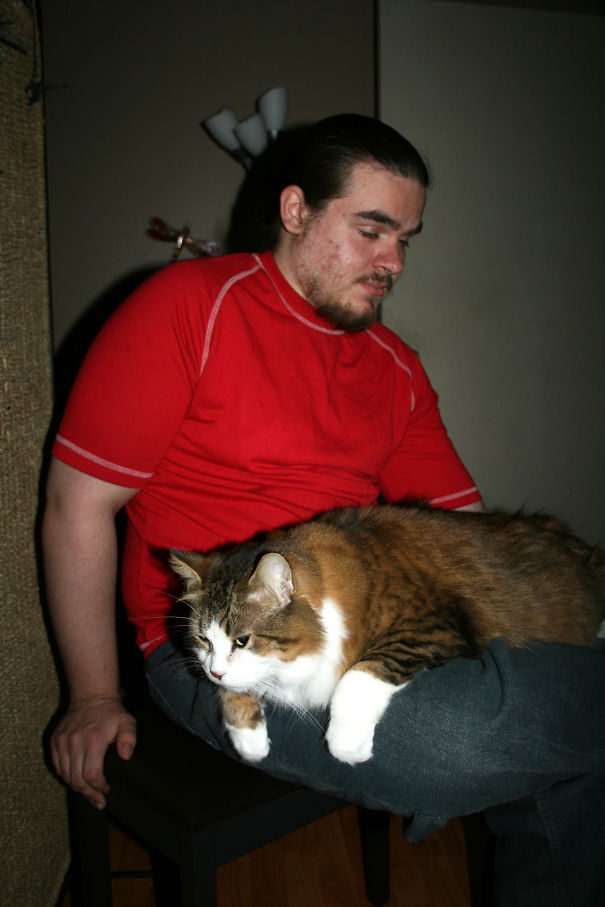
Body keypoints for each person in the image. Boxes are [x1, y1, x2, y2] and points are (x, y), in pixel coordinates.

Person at [43, 114, 604, 906]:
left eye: (406, 239)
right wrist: (94, 694)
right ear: (296, 209)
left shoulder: (396, 367)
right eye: (371, 230)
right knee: (481, 732)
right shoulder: (186, 306)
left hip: (368, 618)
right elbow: (75, 505)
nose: (393, 263)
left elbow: (470, 529)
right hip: (224, 648)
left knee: (552, 718)